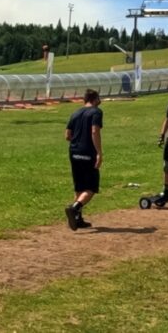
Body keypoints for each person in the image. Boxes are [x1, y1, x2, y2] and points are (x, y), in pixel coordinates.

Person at [64, 89, 104, 231]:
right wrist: (99, 152)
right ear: (95, 99)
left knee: (79, 187)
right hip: (88, 152)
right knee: (91, 188)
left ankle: (77, 220)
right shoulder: (96, 112)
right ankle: (74, 208)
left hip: (74, 152)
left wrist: (77, 141)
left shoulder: (75, 113)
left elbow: (67, 135)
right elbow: (95, 131)